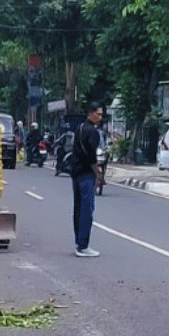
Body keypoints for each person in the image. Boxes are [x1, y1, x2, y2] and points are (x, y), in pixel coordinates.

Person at [70, 102, 104, 257]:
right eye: (98, 114)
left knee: (78, 208)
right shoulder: (93, 132)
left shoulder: (79, 128)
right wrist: (98, 173)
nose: (100, 117)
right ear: (91, 113)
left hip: (76, 173)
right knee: (87, 209)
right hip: (86, 174)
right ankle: (83, 245)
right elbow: (91, 156)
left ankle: (79, 242)